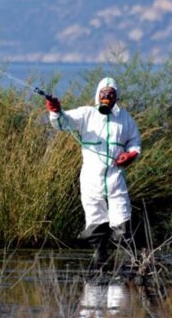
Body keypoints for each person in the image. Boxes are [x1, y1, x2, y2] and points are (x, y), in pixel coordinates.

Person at [45, 77, 141, 269]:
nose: (107, 97)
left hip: (115, 177)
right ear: (98, 95)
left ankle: (128, 267)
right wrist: (55, 110)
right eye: (104, 94)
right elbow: (63, 123)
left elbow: (134, 141)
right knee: (95, 221)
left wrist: (131, 154)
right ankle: (100, 261)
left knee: (122, 221)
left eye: (111, 94)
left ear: (116, 96)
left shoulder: (124, 118)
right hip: (91, 178)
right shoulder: (86, 114)